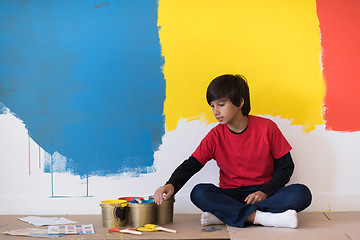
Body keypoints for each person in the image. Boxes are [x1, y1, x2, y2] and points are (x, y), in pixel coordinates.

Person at [153, 74, 312, 228]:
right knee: (199, 192)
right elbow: (191, 165)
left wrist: (264, 192)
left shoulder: (267, 128)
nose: (215, 111)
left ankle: (225, 215)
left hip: (263, 194)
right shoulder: (215, 136)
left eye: (221, 105)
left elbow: (286, 167)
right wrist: (171, 184)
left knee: (301, 193)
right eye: (212, 106)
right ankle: (261, 218)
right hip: (230, 195)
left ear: (240, 102)